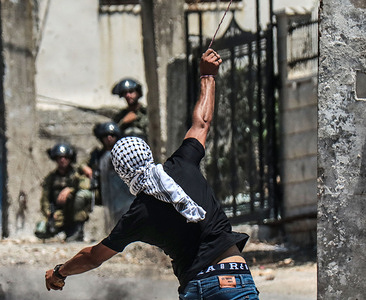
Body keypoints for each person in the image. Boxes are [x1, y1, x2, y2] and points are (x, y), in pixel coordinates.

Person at [45, 49, 259, 299]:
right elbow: (202, 122)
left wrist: (60, 272)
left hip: (202, 285)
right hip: (240, 275)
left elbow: (93, 257)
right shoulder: (183, 163)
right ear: (148, 153)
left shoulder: (138, 213)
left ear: (123, 174)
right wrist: (207, 76)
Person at [82, 122, 135, 232]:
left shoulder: (123, 153)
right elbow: (83, 165)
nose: (109, 138)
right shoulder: (97, 154)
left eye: (112, 135)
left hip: (121, 191)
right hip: (102, 190)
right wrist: (85, 168)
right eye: (105, 136)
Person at [37, 143, 92, 242]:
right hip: (59, 211)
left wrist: (70, 190)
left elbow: (85, 187)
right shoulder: (51, 178)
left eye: (65, 157)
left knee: (81, 196)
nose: (62, 160)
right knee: (40, 230)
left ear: (70, 158)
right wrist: (48, 213)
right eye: (59, 158)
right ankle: (62, 230)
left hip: (73, 210)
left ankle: (76, 231)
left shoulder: (76, 174)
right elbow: (45, 198)